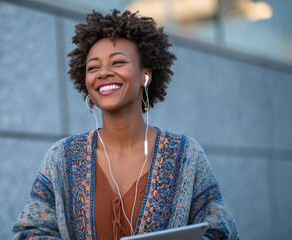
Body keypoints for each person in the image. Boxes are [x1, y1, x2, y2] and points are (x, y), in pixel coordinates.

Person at [13, 9, 238, 240]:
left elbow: (222, 232)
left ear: (145, 75)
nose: (104, 73)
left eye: (118, 62)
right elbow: (29, 233)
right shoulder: (62, 157)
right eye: (93, 67)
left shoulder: (185, 154)